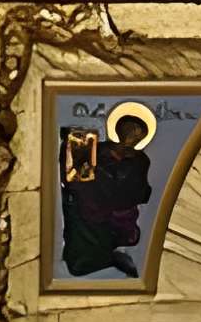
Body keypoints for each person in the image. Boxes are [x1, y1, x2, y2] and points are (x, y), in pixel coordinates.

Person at [60, 112, 154, 277]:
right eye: (130, 132)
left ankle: (109, 257)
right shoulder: (96, 150)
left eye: (138, 136)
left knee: (115, 233)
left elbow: (141, 191)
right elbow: (76, 179)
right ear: (119, 131)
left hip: (118, 212)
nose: (133, 138)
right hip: (89, 208)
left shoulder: (140, 161)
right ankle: (84, 263)